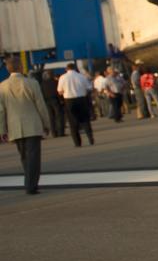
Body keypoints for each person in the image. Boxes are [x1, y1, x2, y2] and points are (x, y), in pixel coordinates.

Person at [0, 55, 52, 195]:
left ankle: (29, 182)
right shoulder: (32, 83)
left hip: (15, 127)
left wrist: (2, 130)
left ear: (7, 68)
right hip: (32, 125)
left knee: (24, 156)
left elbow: (1, 111)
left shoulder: (2, 86)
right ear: (21, 66)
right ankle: (31, 185)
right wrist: (46, 124)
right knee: (34, 157)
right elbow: (40, 105)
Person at [56, 63, 94, 147]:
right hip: (81, 99)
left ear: (66, 69)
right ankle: (90, 138)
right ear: (75, 68)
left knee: (72, 122)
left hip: (69, 101)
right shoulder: (81, 76)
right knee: (85, 120)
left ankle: (77, 142)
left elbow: (59, 91)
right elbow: (89, 88)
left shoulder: (62, 77)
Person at [39, 69, 65, 137]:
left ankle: (54, 133)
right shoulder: (55, 82)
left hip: (47, 102)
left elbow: (41, 94)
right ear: (52, 75)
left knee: (51, 117)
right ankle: (61, 132)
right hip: (55, 101)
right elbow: (58, 93)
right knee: (59, 116)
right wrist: (61, 100)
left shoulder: (42, 84)